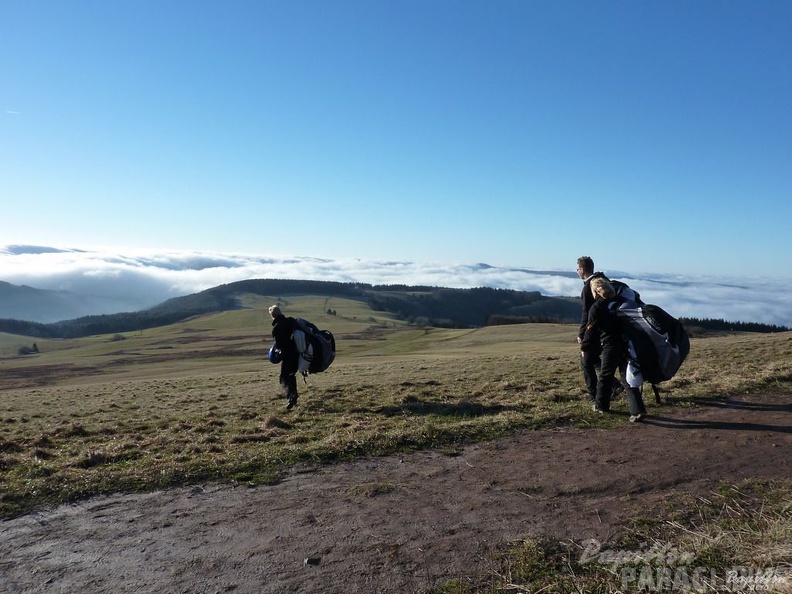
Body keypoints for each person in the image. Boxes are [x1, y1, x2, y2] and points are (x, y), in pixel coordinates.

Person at [582, 278, 647, 421]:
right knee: (626, 378)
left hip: (610, 346)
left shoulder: (597, 307)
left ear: (596, 291)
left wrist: (585, 347)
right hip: (626, 345)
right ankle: (637, 410)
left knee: (605, 376)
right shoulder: (620, 302)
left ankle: (601, 407)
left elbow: (590, 330)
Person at [576, 256, 606, 403]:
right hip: (606, 329)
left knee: (586, 360)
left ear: (582, 269)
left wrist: (581, 334)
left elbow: (586, 313)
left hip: (593, 329)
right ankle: (614, 386)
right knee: (594, 359)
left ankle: (594, 394)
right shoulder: (603, 281)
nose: (577, 272)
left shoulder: (589, 286)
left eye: (577, 269)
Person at [269, 305, 300, 410]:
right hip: (298, 354)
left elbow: (279, 345)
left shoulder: (276, 327)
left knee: (283, 378)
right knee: (291, 375)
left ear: (272, 316)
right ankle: (293, 397)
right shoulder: (291, 321)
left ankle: (291, 396)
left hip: (287, 356)